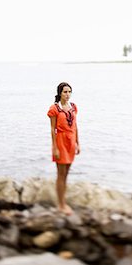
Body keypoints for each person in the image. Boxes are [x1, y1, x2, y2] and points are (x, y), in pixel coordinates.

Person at [47, 82, 80, 215]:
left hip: (71, 142)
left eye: (69, 92)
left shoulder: (73, 107)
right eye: (65, 92)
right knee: (60, 175)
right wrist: (55, 147)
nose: (67, 94)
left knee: (66, 174)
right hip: (60, 141)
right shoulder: (54, 108)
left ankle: (63, 202)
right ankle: (61, 205)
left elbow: (76, 126)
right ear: (60, 93)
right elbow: (52, 129)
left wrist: (78, 143)